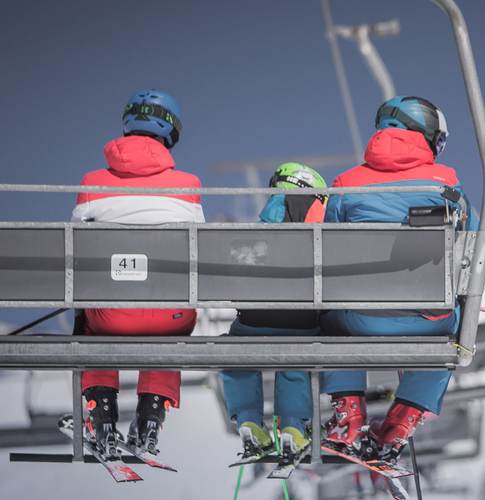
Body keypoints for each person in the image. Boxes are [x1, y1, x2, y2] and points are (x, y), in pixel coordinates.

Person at [320, 96, 477, 463]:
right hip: (426, 318)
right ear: (427, 134)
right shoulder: (447, 185)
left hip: (357, 318)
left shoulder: (346, 184)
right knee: (450, 331)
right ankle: (400, 423)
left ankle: (349, 416)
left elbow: (324, 249)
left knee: (329, 319)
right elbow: (470, 248)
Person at [71, 89, 205, 457]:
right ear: (171, 132)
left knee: (88, 318)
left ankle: (101, 413)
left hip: (112, 316)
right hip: (170, 317)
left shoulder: (92, 182)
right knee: (172, 318)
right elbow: (201, 247)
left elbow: (75, 251)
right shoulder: (188, 186)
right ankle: (150, 417)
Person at [221, 162, 328, 459]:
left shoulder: (255, 232)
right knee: (296, 353)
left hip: (253, 323)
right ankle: (293, 426)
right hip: (303, 321)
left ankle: (248, 421)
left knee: (235, 348)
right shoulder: (323, 233)